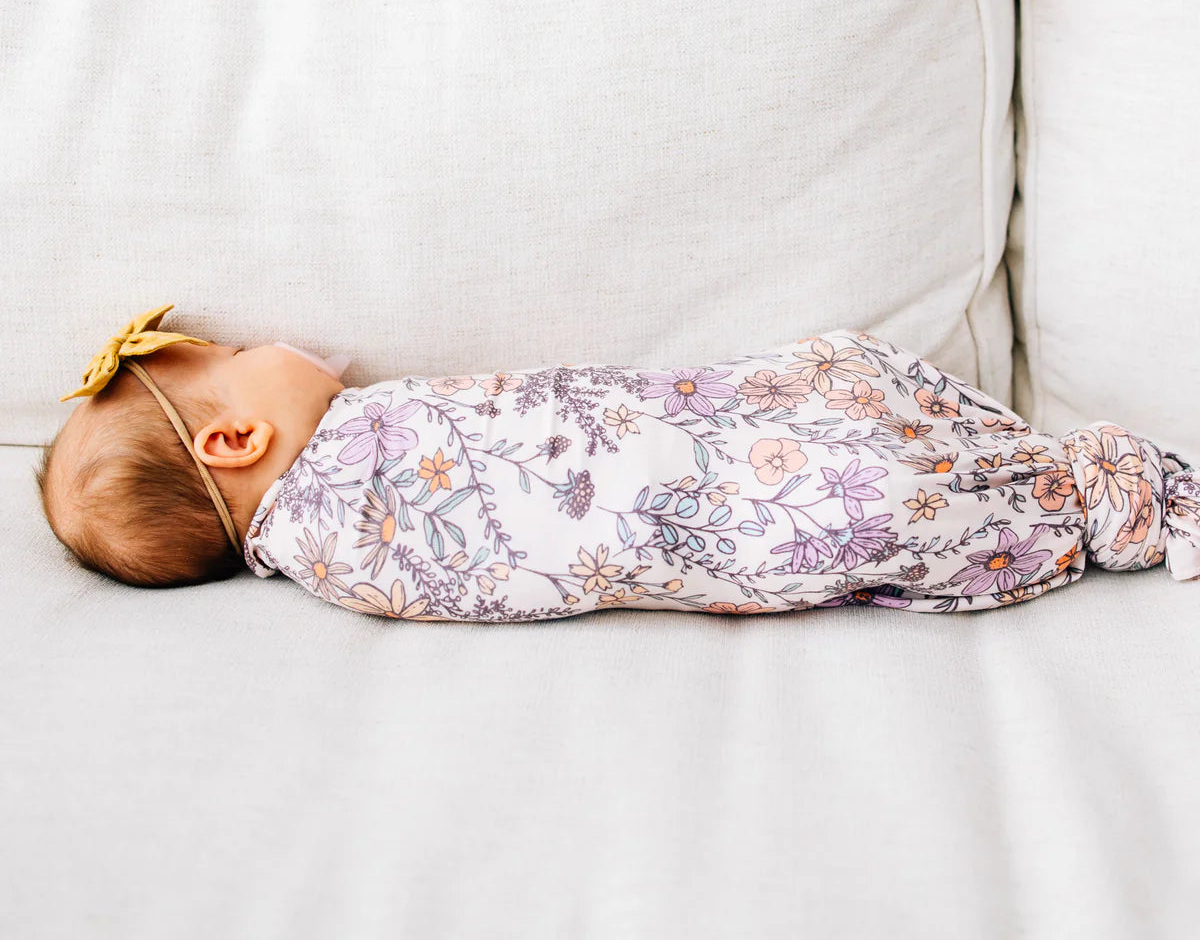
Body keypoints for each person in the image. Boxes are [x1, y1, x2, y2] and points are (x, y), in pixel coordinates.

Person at [36, 304, 1200, 621]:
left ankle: (1066, 487)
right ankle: (1099, 493)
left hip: (712, 453)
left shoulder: (334, 557)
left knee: (825, 445)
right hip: (722, 492)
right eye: (238, 358)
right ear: (235, 440)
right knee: (845, 484)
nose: (268, 344)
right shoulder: (347, 488)